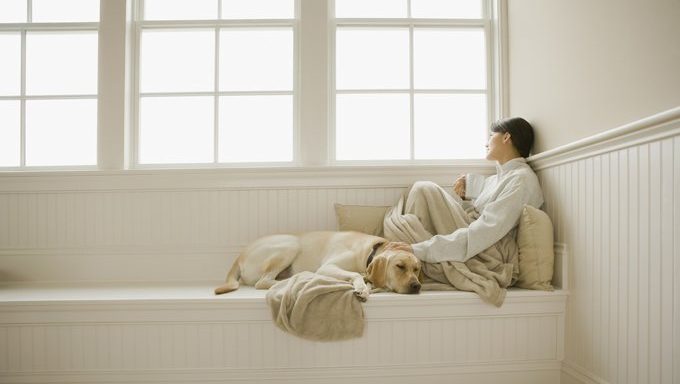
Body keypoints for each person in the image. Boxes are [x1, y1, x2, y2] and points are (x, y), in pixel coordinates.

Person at [389, 117, 544, 264]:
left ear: (506, 137)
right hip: (476, 233)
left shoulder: (521, 180)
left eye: (491, 135)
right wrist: (465, 196)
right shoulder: (498, 178)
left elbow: (487, 230)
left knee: (424, 188)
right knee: (420, 190)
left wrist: (422, 250)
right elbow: (475, 212)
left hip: (489, 247)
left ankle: (411, 253)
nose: (486, 143)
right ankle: (408, 253)